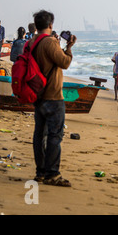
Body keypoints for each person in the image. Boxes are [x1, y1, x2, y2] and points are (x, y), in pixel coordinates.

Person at [30, 10, 76, 187]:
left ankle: (40, 172)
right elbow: (64, 63)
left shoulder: (32, 42)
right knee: (55, 136)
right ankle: (52, 174)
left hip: (38, 95)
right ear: (50, 25)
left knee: (39, 135)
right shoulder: (50, 42)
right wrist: (69, 48)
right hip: (53, 96)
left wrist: (63, 48)